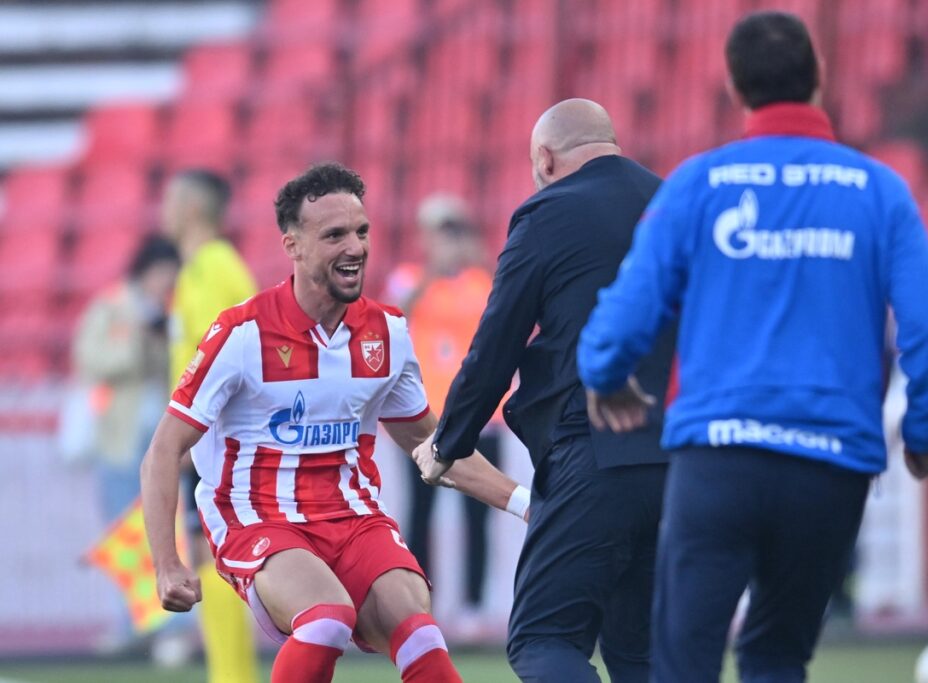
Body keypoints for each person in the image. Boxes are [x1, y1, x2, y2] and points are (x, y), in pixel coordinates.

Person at [576, 12, 928, 683]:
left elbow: (623, 314)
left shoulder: (697, 184)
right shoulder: (879, 191)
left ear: (733, 87)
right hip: (830, 465)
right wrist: (925, 435)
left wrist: (605, 375)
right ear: (819, 79)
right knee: (777, 657)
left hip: (717, 461)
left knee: (683, 663)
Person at [141, 162, 528, 683]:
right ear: (293, 246)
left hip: (354, 516)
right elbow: (163, 449)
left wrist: (529, 505)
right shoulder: (243, 334)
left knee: (421, 634)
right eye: (335, 235)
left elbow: (434, 445)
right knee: (326, 620)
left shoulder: (386, 332)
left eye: (362, 232)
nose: (355, 247)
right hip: (260, 519)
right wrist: (167, 564)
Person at [414, 99, 677, 682]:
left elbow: (496, 344)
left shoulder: (548, 211)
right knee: (643, 655)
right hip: (681, 459)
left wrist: (447, 444)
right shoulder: (673, 202)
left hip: (594, 451)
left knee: (543, 639)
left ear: (545, 158)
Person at [161, 168, 261, 680]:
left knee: (216, 558)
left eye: (171, 198)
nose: (163, 209)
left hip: (215, 438)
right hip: (199, 439)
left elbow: (239, 352)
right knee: (207, 557)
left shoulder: (217, 268)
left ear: (193, 208)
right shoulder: (195, 270)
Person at [385, 193, 501, 631]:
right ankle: (420, 601)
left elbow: (504, 316)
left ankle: (472, 606)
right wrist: (435, 270)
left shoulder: (479, 282)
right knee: (421, 511)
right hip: (422, 420)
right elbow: (396, 314)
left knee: (479, 512)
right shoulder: (409, 278)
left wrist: (478, 260)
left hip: (480, 417)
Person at [71, 234, 179, 649]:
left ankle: (169, 629)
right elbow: (91, 359)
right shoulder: (113, 306)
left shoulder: (172, 308)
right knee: (125, 536)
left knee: (163, 533)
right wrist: (138, 336)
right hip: (120, 436)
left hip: (163, 439)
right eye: (161, 274)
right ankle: (132, 625)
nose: (164, 282)